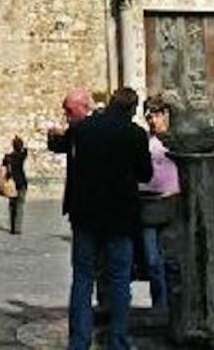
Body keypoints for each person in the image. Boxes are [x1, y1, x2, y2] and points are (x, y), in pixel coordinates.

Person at [48, 87, 152, 350]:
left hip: (85, 216)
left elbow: (59, 144)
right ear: (132, 109)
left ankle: (79, 343)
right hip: (120, 218)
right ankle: (118, 341)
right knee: (119, 281)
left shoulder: (83, 129)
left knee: (82, 279)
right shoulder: (136, 134)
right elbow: (145, 174)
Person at [138, 94, 180, 312]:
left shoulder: (176, 141)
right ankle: (160, 305)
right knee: (153, 261)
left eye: (157, 115)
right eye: (149, 116)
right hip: (148, 206)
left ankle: (175, 305)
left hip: (171, 203)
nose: (153, 120)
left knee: (172, 260)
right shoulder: (145, 141)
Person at [1, 136, 29, 235]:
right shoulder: (21, 155)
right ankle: (18, 228)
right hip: (21, 182)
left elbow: (3, 169)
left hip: (11, 183)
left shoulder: (7, 157)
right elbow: (25, 150)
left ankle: (12, 227)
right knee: (20, 205)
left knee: (12, 205)